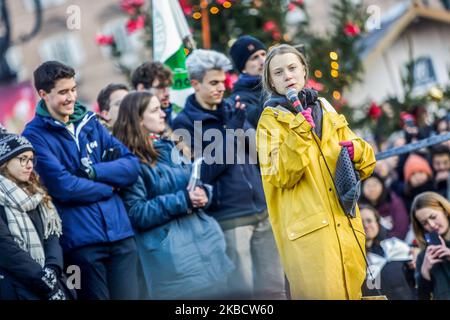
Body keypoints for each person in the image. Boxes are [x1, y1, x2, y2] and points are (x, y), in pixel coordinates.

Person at [256, 44, 376, 299]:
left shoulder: (326, 108)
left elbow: (366, 161)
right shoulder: (269, 120)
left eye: (292, 68)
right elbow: (280, 175)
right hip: (310, 237)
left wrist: (357, 151)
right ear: (271, 82)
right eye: (278, 73)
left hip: (346, 226)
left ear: (303, 71)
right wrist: (298, 134)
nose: (287, 75)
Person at [172, 49, 286, 299]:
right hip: (230, 219)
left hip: (263, 210)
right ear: (195, 84)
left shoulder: (231, 109)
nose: (220, 88)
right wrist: (232, 131)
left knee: (275, 290)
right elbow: (203, 172)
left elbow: (259, 155)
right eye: (213, 83)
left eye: (223, 82)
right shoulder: (182, 123)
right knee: (242, 294)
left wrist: (247, 125)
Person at [22, 61, 141, 300]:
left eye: (73, 89)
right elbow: (63, 187)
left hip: (120, 235)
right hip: (83, 243)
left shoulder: (91, 122)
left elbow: (131, 166)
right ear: (43, 94)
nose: (71, 97)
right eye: (63, 92)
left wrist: (93, 172)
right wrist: (109, 186)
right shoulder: (34, 135)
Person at [114, 91, 234, 299]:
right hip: (175, 263)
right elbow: (136, 212)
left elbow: (197, 183)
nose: (162, 114)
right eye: (154, 110)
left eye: (160, 109)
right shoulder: (131, 162)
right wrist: (184, 200)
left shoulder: (174, 147)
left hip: (209, 249)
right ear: (138, 119)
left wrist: (205, 193)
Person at [0, 132, 73, 300]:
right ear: (4, 162)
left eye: (31, 159)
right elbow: (6, 247)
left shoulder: (38, 195)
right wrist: (41, 279)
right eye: (22, 159)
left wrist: (52, 269)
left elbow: (52, 238)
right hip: (15, 284)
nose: (29, 165)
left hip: (49, 280)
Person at [360, 205, 416, 300]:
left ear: (377, 223)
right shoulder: (356, 258)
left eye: (369, 221)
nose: (365, 225)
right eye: (360, 222)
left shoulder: (395, 245)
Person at [410, 191, 450, 299]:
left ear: (445, 211)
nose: (431, 225)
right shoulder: (423, 257)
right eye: (424, 223)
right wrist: (424, 274)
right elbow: (422, 297)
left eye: (433, 216)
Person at [229, 35, 267, 128]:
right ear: (243, 69)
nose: (263, 61)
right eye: (254, 58)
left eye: (263, 54)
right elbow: (258, 122)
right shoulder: (239, 99)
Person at [360, 173, 410, 240]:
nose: (371, 189)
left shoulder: (394, 202)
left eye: (375, 185)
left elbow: (401, 227)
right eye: (368, 185)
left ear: (382, 186)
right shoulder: (360, 207)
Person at [131, 62, 177, 128]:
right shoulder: (128, 126)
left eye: (168, 87)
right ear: (141, 89)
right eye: (161, 87)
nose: (167, 93)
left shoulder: (176, 119)